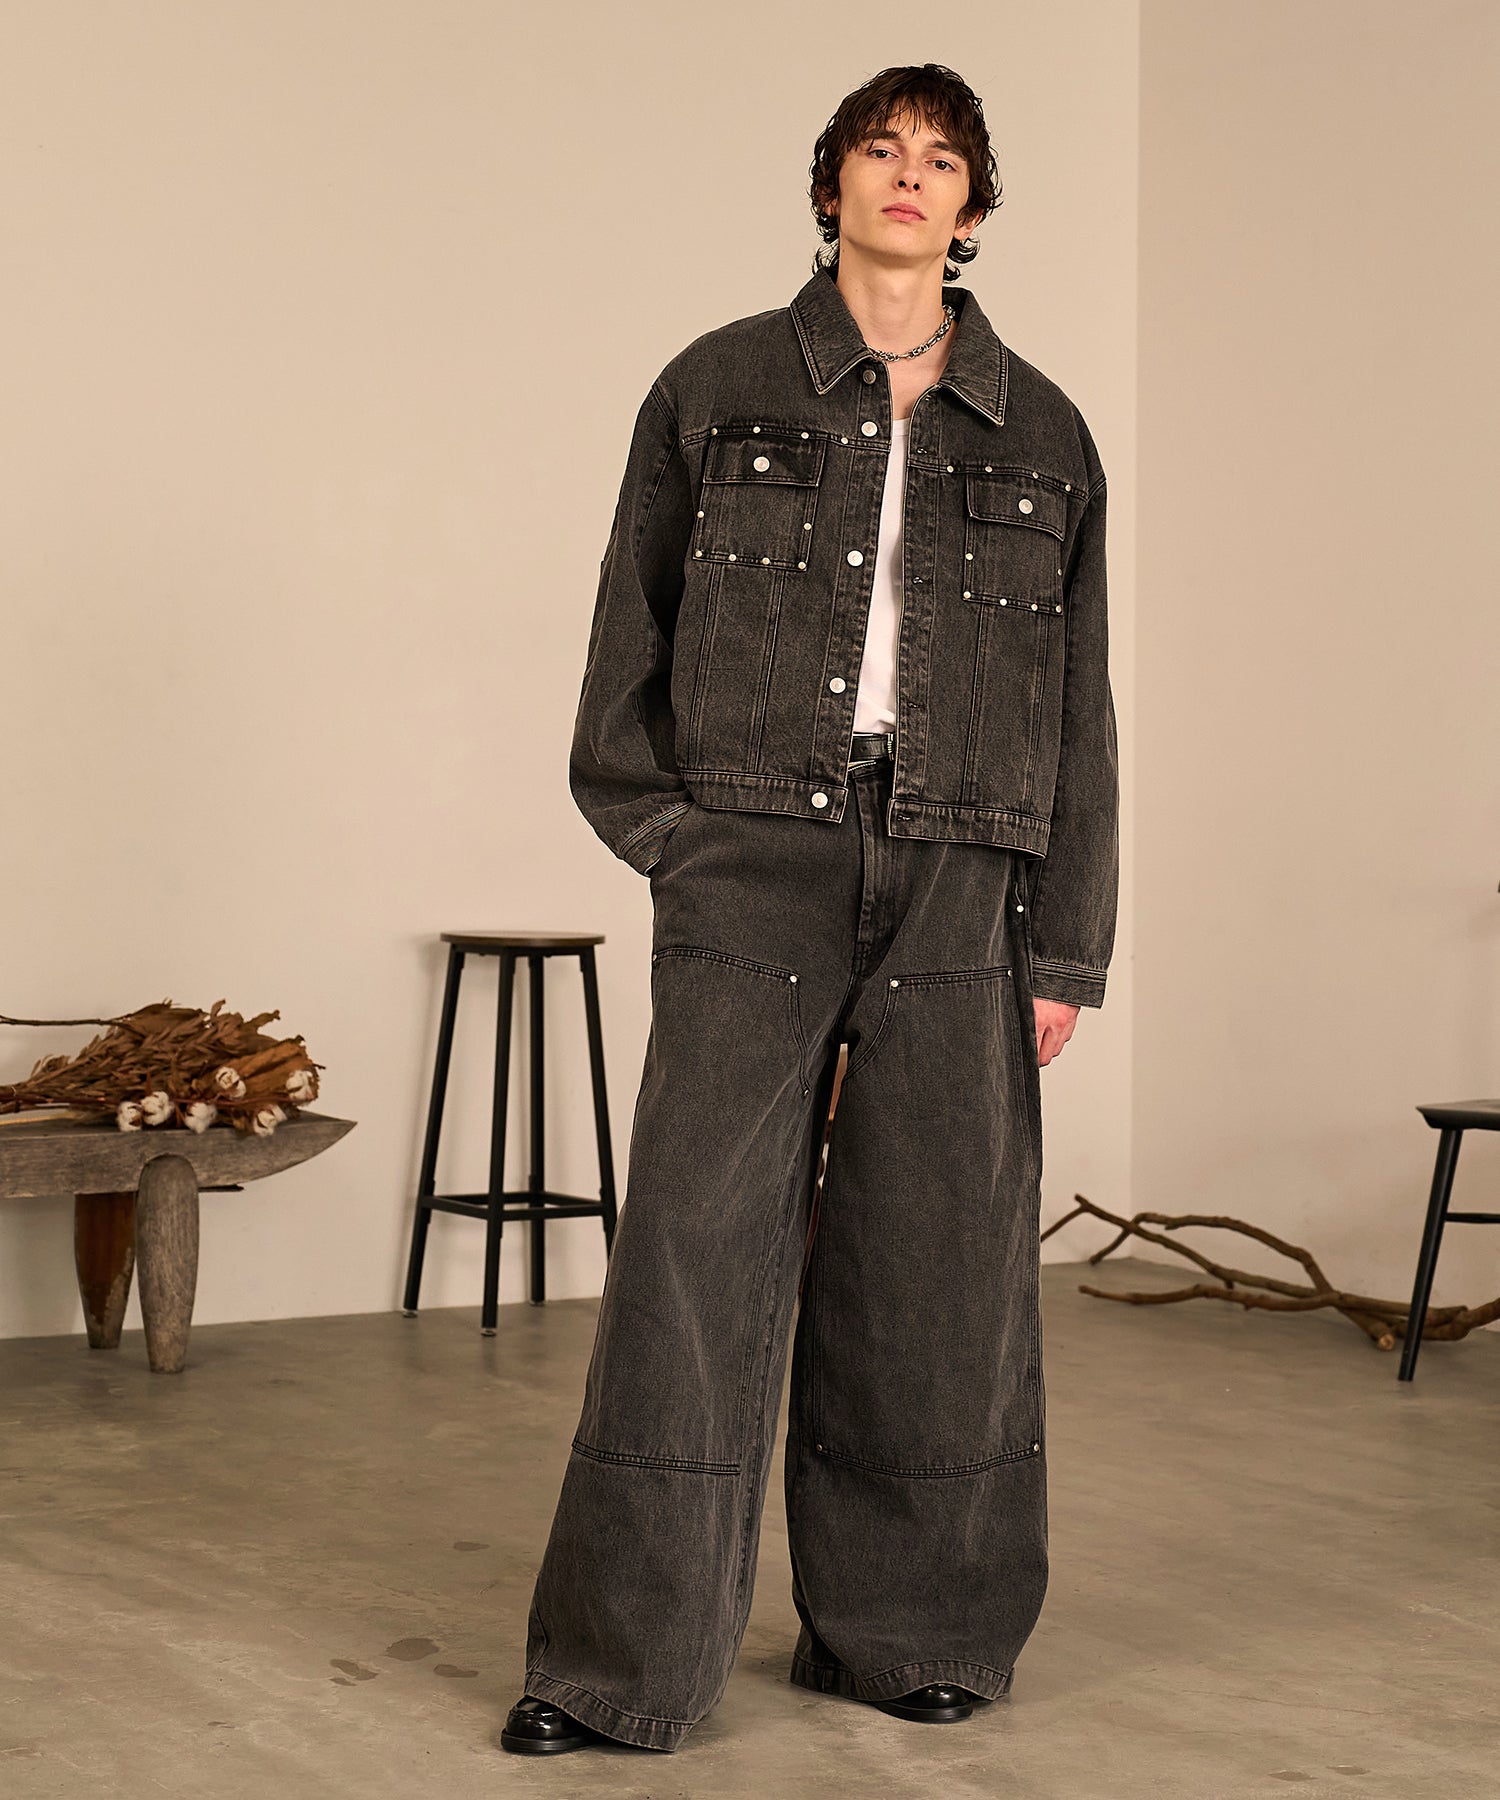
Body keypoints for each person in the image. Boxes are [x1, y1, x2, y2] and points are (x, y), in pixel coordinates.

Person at [501, 61, 1118, 1757]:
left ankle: (914, 1633)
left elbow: (1081, 708)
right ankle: (616, 1667)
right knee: (690, 1262)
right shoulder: (713, 388)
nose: (909, 177)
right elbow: (627, 635)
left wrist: (1065, 944)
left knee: (939, 1263)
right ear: (832, 181)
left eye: (942, 160)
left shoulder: (1047, 431)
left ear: (973, 208)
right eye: (880, 150)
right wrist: (675, 837)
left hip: (965, 872)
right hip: (758, 854)